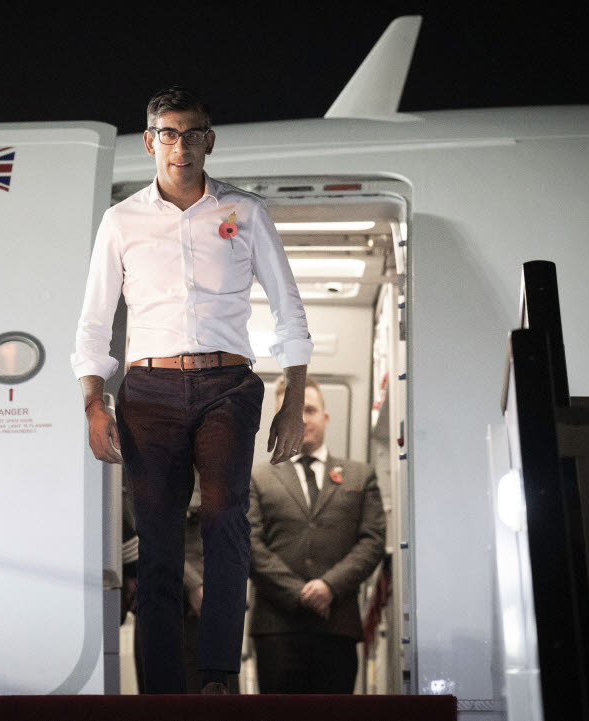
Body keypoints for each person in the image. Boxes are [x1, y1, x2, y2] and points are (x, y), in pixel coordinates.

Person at [71, 87, 312, 694]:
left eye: (193, 134)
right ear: (151, 141)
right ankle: (160, 688)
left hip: (228, 386)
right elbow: (96, 321)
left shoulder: (247, 212)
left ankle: (218, 676)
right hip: (148, 390)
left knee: (226, 519)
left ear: (210, 140)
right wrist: (93, 402)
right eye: (169, 135)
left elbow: (289, 309)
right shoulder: (121, 220)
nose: (181, 146)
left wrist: (292, 398)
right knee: (156, 539)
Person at [248, 376, 386, 694]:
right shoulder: (258, 478)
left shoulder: (360, 476)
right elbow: (249, 544)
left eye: (308, 409)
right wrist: (301, 593)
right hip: (276, 630)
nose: (301, 418)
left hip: (336, 626)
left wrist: (328, 587)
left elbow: (373, 540)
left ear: (324, 416)